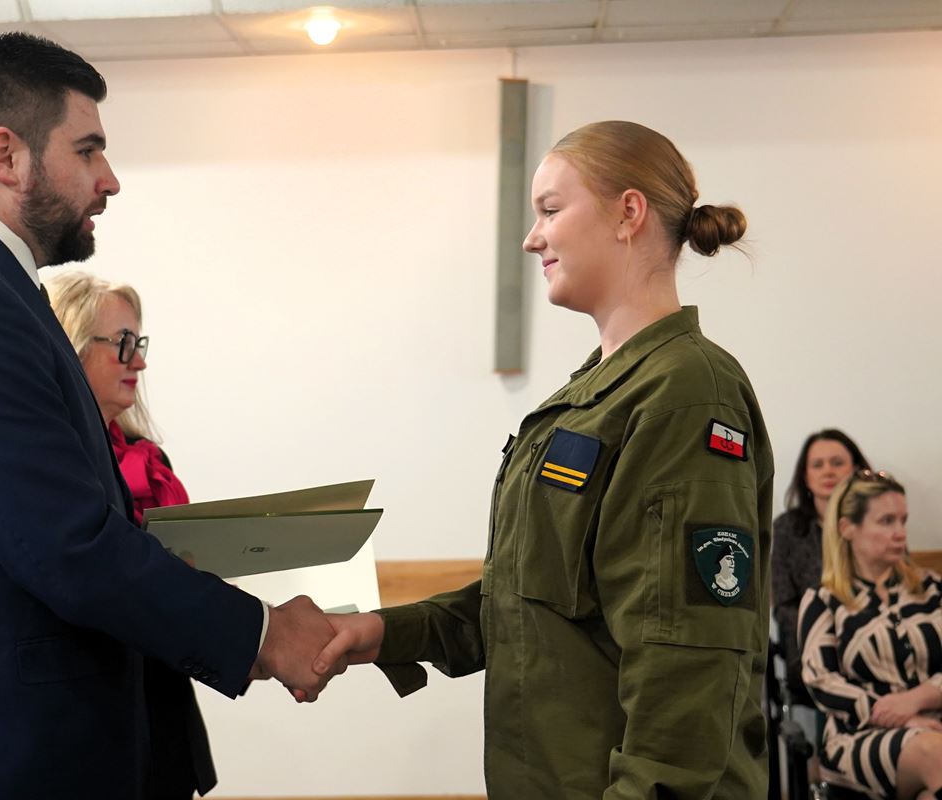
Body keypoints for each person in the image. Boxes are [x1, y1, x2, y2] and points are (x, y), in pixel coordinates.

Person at [0, 32, 338, 798]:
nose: (110, 180)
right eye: (88, 150)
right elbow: (68, 548)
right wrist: (263, 633)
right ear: (6, 155)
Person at [317, 120, 774, 798]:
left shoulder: (683, 394)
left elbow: (686, 666)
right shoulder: (596, 393)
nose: (532, 238)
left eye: (551, 210)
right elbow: (531, 605)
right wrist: (383, 632)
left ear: (628, 213)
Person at [47, 270, 212, 799]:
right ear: (73, 346)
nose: (138, 362)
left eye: (138, 345)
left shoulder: (151, 460)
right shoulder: (49, 469)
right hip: (87, 718)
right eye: (122, 344)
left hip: (162, 710)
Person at [799, 470, 942, 799]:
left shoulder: (932, 588)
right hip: (858, 735)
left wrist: (917, 699)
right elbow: (820, 679)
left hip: (933, 724)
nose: (900, 533)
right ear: (847, 528)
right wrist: (897, 715)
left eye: (903, 521)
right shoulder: (824, 600)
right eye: (887, 521)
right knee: (933, 751)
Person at [772, 429, 869, 697]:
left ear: (856, 470)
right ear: (805, 476)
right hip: (810, 645)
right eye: (817, 465)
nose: (828, 471)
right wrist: (828, 633)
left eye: (837, 463)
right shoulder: (786, 528)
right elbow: (784, 605)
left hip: (871, 639)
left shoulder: (876, 522)